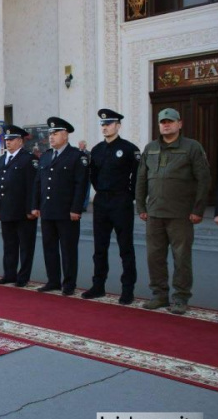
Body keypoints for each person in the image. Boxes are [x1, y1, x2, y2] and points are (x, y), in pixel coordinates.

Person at [135, 107, 211, 315]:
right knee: (154, 256)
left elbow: (204, 180)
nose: (166, 125)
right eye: (162, 122)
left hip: (181, 214)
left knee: (181, 258)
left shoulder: (192, 147)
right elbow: (141, 178)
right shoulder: (150, 148)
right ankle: (159, 295)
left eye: (170, 121)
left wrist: (198, 209)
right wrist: (140, 206)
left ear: (180, 124)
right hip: (154, 214)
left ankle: (180, 298)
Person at [81, 109, 140, 304]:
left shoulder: (130, 149)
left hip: (121, 202)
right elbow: (93, 176)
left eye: (109, 124)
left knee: (126, 248)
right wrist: (102, 191)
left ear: (118, 125)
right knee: (100, 247)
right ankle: (98, 285)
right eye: (103, 125)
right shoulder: (97, 150)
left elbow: (137, 176)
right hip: (102, 201)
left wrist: (128, 195)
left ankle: (127, 289)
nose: (105, 127)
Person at [32, 117, 89, 296]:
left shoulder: (76, 156)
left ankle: (69, 283)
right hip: (48, 210)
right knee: (49, 248)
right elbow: (38, 183)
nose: (51, 137)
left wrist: (76, 209)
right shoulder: (47, 155)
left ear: (65, 135)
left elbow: (81, 184)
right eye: (50, 134)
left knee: (68, 249)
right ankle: (53, 280)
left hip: (66, 212)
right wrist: (35, 205)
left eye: (55, 133)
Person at [0, 125, 38, 287]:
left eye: (11, 140)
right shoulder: (1, 160)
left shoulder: (29, 159)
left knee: (25, 246)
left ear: (19, 141)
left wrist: (31, 209)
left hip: (23, 211)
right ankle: (9, 274)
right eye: (6, 139)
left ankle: (23, 277)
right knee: (9, 245)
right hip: (6, 210)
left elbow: (32, 187)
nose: (7, 142)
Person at [78, 140, 91, 212]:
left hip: (87, 175)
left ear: (84, 145)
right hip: (79, 175)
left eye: (81, 144)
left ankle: (84, 206)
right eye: (79, 144)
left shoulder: (89, 154)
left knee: (87, 191)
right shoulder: (77, 153)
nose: (79, 145)